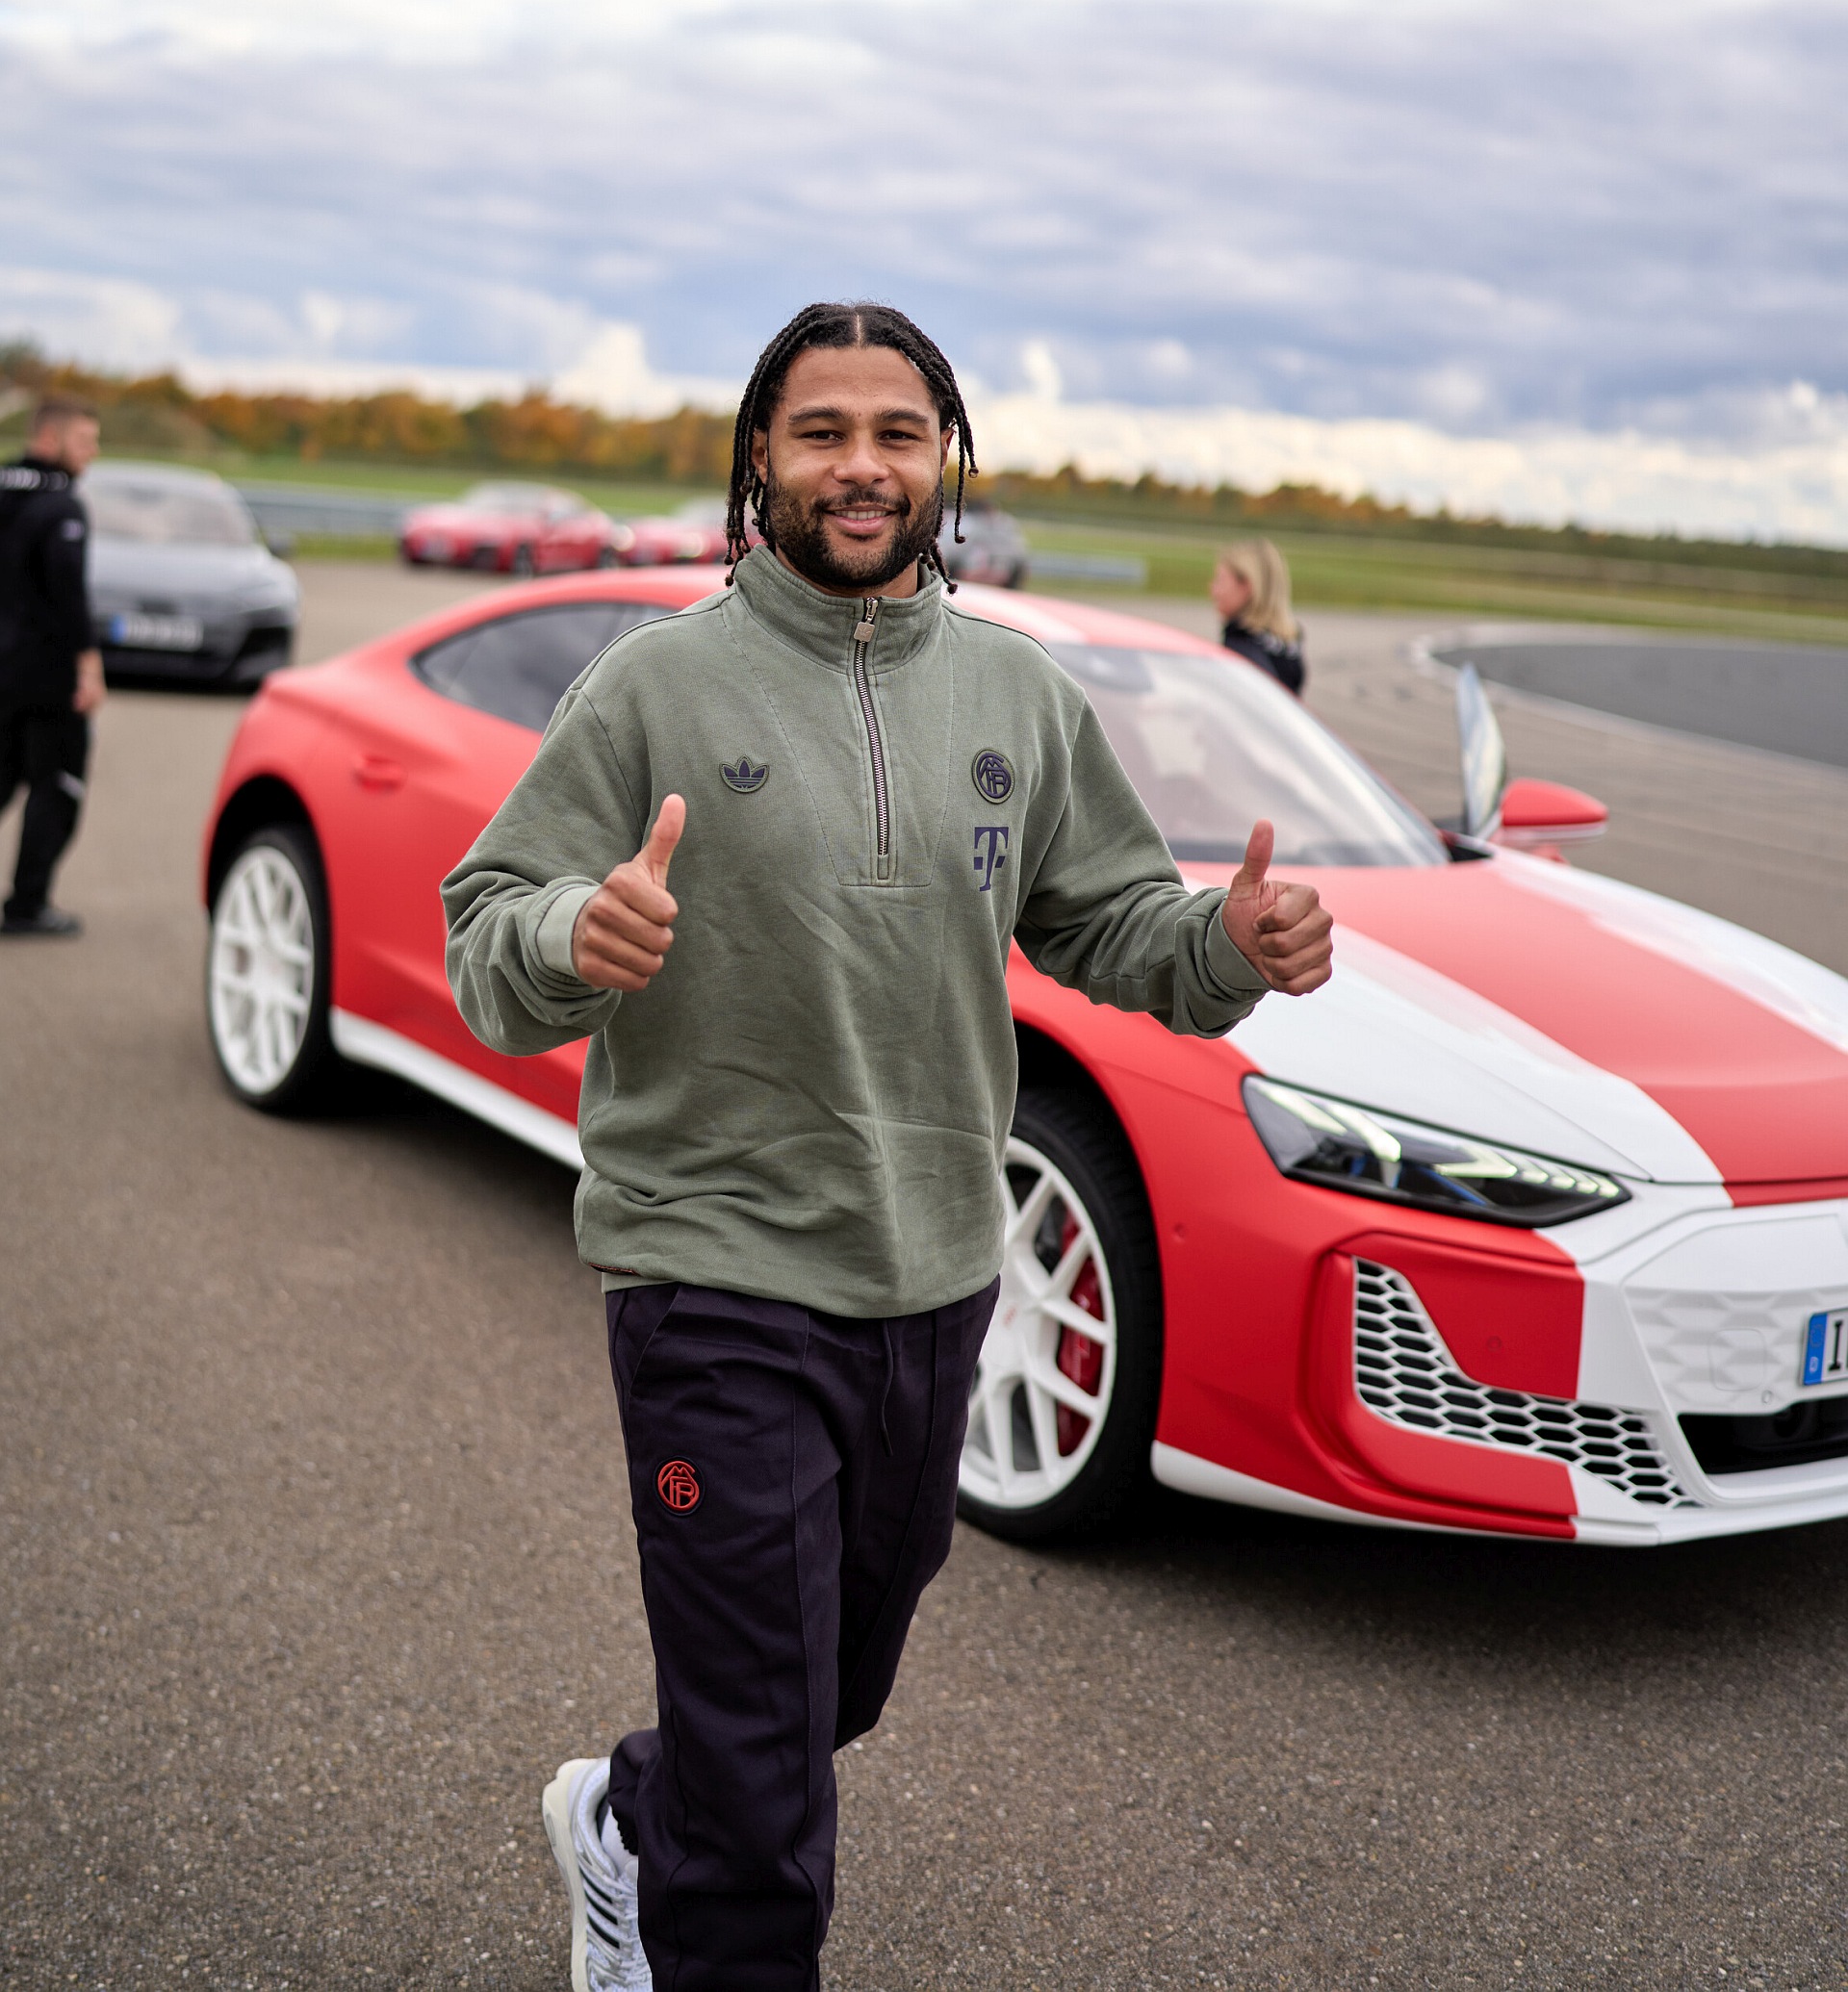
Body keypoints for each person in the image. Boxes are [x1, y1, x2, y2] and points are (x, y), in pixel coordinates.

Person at [443, 302, 1334, 1992]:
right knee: (773, 1822)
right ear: (758, 462)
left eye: (897, 433)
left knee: (820, 1697)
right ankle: (700, 1895)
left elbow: (1113, 927)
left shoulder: (1014, 687)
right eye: (823, 431)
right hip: (713, 1277)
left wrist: (1231, 945)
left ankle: (633, 1813)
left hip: (933, 1276)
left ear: (946, 462)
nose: (862, 467)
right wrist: (575, 933)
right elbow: (488, 929)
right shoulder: (654, 686)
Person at [0, 395, 104, 936]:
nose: (92, 454)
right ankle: (28, 904)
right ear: (50, 438)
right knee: (57, 785)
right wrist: (88, 664)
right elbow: (68, 594)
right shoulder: (62, 505)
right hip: (44, 675)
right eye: (84, 442)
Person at [1211, 536, 1305, 696]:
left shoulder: (1242, 652)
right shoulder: (1288, 647)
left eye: (1220, 581)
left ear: (1246, 586)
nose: (1214, 591)